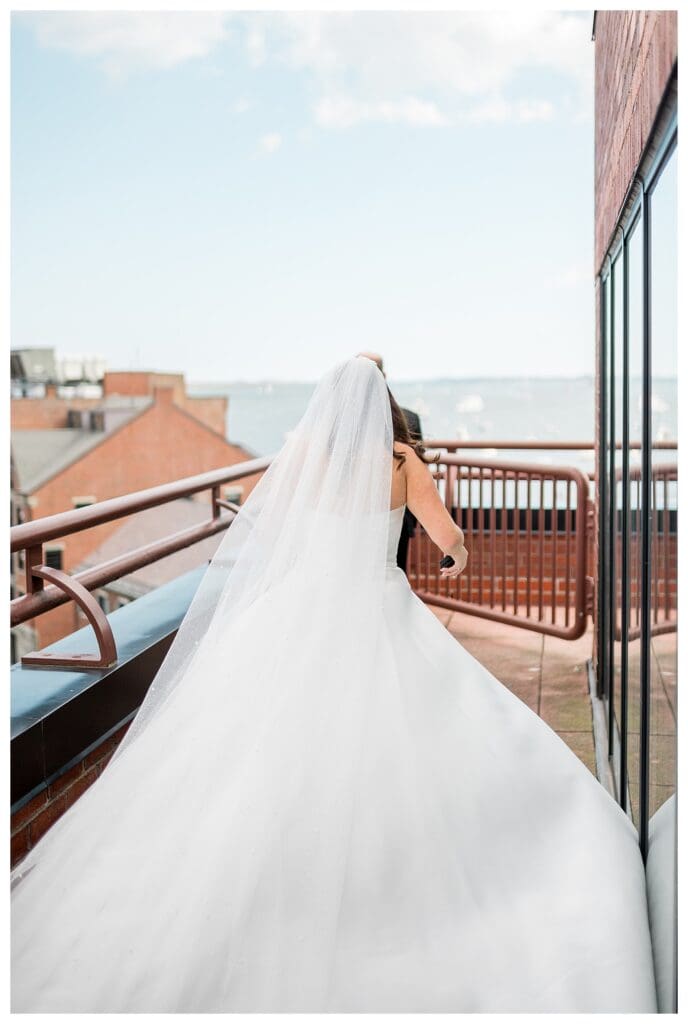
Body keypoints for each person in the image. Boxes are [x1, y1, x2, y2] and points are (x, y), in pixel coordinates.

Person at [11, 357, 656, 1012]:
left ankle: (283, 888)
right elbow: (447, 537)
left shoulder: (308, 459)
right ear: (387, 407)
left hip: (302, 609)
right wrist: (457, 557)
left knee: (272, 755)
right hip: (381, 607)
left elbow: (276, 534)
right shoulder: (402, 462)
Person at [356, 352, 423, 573]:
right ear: (383, 375)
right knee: (393, 575)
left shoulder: (338, 426)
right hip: (395, 517)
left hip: (354, 518)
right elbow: (419, 473)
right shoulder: (409, 419)